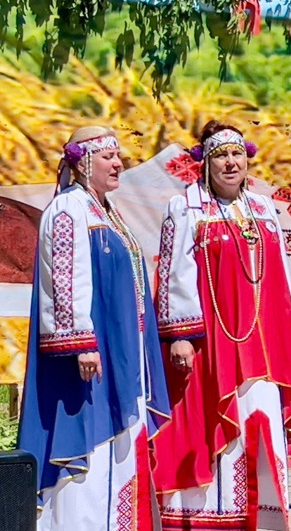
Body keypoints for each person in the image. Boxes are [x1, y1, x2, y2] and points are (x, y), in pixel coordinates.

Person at [151, 121, 291, 530]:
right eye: (221, 155)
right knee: (218, 428)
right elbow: (173, 273)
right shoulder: (186, 207)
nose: (230, 162)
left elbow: (282, 278)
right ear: (206, 162)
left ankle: (264, 519)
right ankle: (213, 519)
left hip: (266, 343)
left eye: (237, 154)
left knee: (262, 423)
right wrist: (181, 336)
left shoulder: (262, 209)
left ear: (248, 158)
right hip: (213, 345)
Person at [18, 126, 170, 530]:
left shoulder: (104, 211)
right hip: (89, 354)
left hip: (121, 349)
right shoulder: (69, 209)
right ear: (83, 162)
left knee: (117, 450)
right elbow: (63, 279)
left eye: (119, 156)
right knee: (89, 444)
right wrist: (80, 342)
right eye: (108, 157)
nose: (119, 163)